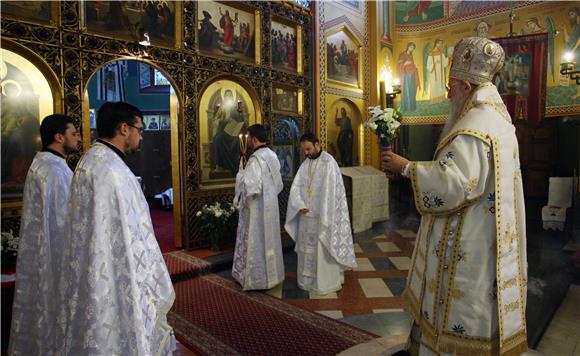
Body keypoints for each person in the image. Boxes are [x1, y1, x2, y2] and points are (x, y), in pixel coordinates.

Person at [382, 37, 527, 355]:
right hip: (487, 237)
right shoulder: (500, 124)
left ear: (464, 86)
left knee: (453, 315)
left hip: (466, 241)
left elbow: (454, 184)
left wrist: (406, 168)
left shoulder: (472, 127)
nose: (448, 94)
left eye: (450, 86)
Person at [57, 102, 175, 355]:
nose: (141, 135)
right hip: (114, 272)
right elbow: (130, 234)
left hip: (95, 270)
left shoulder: (92, 160)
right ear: (124, 128)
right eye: (139, 129)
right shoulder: (111, 170)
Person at [8, 114, 79, 356]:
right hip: (56, 254)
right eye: (74, 133)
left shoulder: (45, 164)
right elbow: (62, 222)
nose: (78, 138)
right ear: (59, 137)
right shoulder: (54, 170)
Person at [285, 133, 357, 295]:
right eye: (304, 150)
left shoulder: (329, 162)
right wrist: (299, 205)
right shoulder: (306, 164)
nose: (307, 153)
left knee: (321, 249)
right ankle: (307, 282)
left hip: (322, 217)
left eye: (309, 149)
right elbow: (296, 187)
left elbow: (331, 192)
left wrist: (322, 213)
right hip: (306, 216)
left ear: (317, 144)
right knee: (307, 250)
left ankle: (324, 283)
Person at [232, 124, 285, 290]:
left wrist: (242, 171)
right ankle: (273, 276)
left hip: (256, 209)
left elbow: (251, 188)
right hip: (271, 207)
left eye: (248, 138)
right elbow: (279, 184)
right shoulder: (272, 155)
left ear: (253, 139)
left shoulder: (255, 160)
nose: (248, 142)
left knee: (257, 240)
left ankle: (256, 279)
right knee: (270, 240)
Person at [398, 42, 420, 112]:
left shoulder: (411, 55)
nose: (412, 49)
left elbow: (411, 64)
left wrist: (415, 66)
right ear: (408, 46)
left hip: (412, 75)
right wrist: (405, 63)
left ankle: (412, 107)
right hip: (406, 76)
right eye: (411, 47)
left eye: (413, 48)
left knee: (412, 91)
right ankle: (407, 108)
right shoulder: (402, 54)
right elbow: (399, 66)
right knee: (407, 91)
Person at [426, 39, 449, 104]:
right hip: (434, 74)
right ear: (436, 44)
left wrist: (449, 59)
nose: (440, 45)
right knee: (434, 85)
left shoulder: (441, 53)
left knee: (440, 85)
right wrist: (435, 63)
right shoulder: (431, 54)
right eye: (439, 43)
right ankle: (434, 100)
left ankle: (441, 99)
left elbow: (445, 63)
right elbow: (428, 66)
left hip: (441, 73)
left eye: (441, 44)